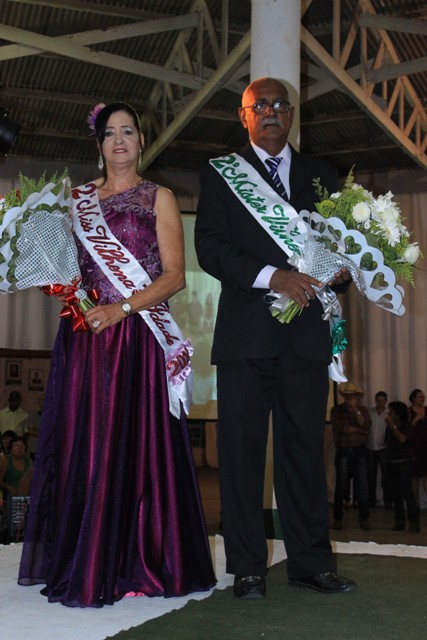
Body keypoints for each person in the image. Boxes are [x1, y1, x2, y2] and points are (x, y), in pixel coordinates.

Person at [18, 102, 216, 607]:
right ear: (99, 144)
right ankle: (84, 560)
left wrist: (122, 308)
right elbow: (62, 268)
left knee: (137, 447)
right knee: (84, 444)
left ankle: (137, 560)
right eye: (110, 133)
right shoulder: (75, 200)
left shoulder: (159, 197)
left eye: (128, 131)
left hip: (137, 337)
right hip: (85, 339)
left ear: (142, 140)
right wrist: (59, 287)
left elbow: (174, 276)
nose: (120, 140)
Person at [195, 76, 355, 598]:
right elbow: (210, 248)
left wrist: (342, 272)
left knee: (305, 453)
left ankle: (311, 564)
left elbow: (344, 249)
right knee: (241, 456)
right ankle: (247, 567)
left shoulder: (322, 175)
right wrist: (274, 277)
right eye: (259, 105)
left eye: (280, 104)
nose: (270, 112)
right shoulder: (221, 173)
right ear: (243, 116)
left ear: (292, 114)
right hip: (245, 338)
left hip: (305, 337)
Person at [331, 382, 372, 531]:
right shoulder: (336, 410)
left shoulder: (363, 410)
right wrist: (359, 431)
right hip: (343, 450)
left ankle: (364, 518)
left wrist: (357, 412)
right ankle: (337, 518)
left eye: (352, 397)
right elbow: (342, 428)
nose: (350, 400)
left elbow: (366, 426)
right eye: (347, 397)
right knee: (341, 485)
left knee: (362, 486)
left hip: (359, 451)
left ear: (357, 398)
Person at [385, 401, 419, 532]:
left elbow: (402, 439)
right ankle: (399, 520)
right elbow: (387, 442)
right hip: (392, 462)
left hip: (404, 463)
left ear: (397, 414)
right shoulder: (389, 427)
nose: (389, 413)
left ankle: (414, 522)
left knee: (407, 493)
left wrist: (392, 426)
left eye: (391, 411)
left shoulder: (406, 425)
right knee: (395, 494)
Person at [367, 391, 392, 508]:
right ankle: (372, 500)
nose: (380, 402)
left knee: (386, 476)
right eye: (378, 400)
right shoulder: (370, 412)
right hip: (370, 447)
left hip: (383, 448)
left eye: (382, 400)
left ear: (385, 401)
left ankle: (387, 500)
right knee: (371, 476)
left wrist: (388, 443)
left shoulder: (389, 414)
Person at [408, 388, 427, 505]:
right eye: (420, 396)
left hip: (426, 447)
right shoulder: (409, 411)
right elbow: (406, 430)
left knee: (426, 475)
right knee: (414, 477)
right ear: (413, 398)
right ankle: (415, 506)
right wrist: (415, 420)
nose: (422, 398)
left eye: (423, 396)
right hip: (414, 447)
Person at [26, 393, 45, 461]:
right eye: (43, 400)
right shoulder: (32, 415)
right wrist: (47, 433)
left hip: (49, 449)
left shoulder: (55, 416)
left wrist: (38, 430)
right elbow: (31, 431)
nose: (46, 401)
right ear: (38, 402)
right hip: (34, 449)